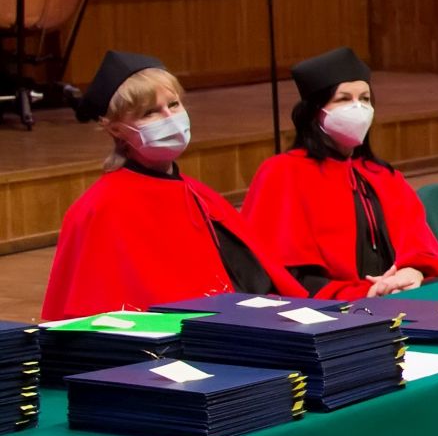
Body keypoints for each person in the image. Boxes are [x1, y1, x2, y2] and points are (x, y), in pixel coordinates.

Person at [42, 52, 304, 319]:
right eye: (150, 112)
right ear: (115, 129)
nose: (169, 118)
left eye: (174, 104)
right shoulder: (99, 208)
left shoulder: (201, 195)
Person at [242, 48, 438, 299]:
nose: (358, 108)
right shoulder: (283, 172)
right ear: (315, 110)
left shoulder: (383, 175)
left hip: (400, 296)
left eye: (365, 99)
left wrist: (412, 272)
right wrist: (365, 292)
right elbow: (282, 273)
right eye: (344, 99)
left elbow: (421, 251)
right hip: (330, 307)